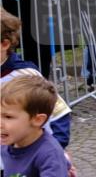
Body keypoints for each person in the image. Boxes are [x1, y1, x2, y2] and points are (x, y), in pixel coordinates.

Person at [1, 11, 72, 144]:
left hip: (28, 159)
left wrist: (56, 148)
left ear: (5, 44)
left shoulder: (25, 75)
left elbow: (58, 112)